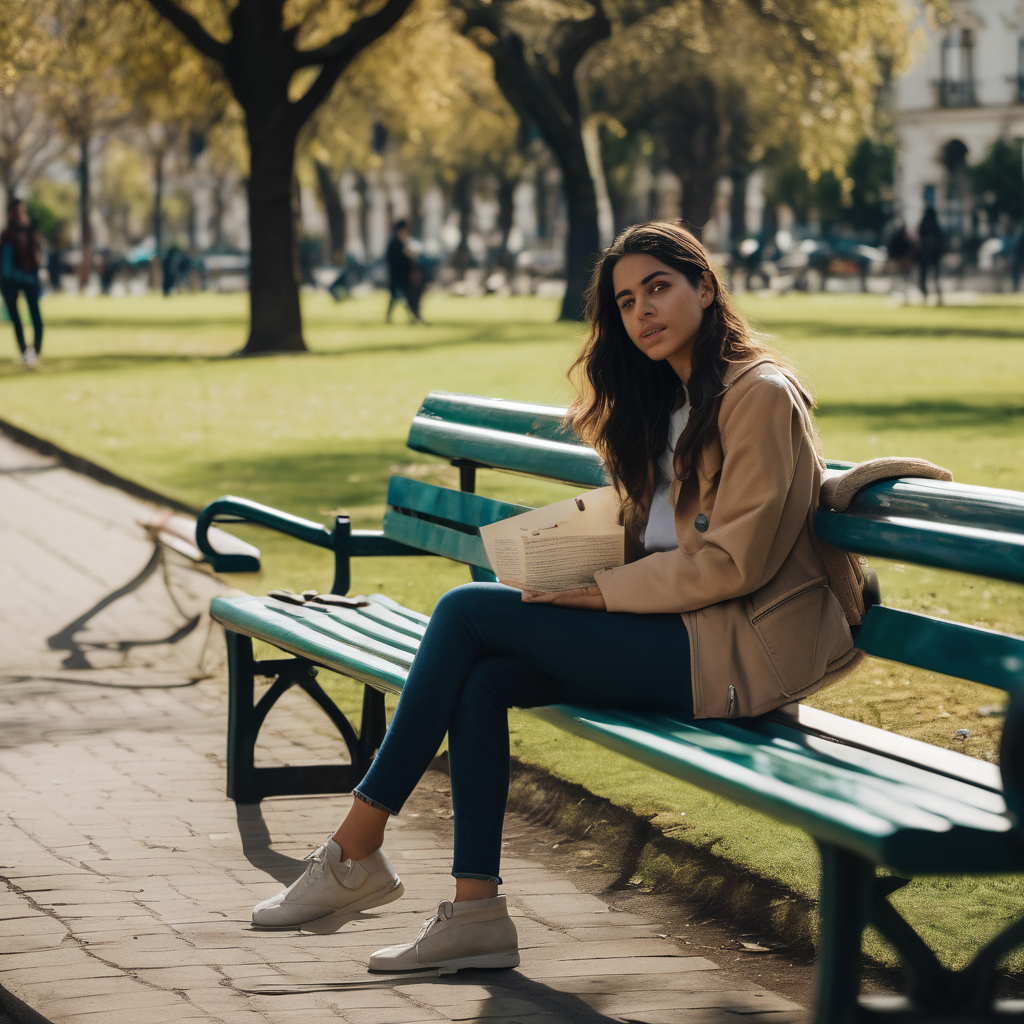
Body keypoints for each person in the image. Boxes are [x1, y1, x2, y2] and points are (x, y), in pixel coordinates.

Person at [249, 221, 860, 973]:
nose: (642, 311)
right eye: (626, 301)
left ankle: (356, 847)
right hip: (671, 635)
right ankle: (476, 914)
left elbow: (732, 562)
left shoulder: (757, 395)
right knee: (483, 677)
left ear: (705, 287)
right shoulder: (669, 397)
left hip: (728, 653)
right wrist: (564, 558)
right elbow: (657, 540)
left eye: (659, 288)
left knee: (464, 612)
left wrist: (599, 594)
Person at [0, 198, 43, 367]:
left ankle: (34, 351)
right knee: (17, 318)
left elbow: (36, 254)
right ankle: (25, 351)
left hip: (27, 278)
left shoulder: (29, 230)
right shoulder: (8, 234)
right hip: (12, 280)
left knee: (34, 315)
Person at [385, 219, 424, 323]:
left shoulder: (404, 242)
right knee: (401, 297)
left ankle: (413, 316)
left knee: (399, 297)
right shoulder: (395, 243)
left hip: (403, 275)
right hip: (398, 275)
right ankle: (414, 316)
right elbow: (394, 260)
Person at [917, 206, 945, 304]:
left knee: (924, 276)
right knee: (936, 276)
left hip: (924, 255)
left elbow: (919, 240)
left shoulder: (923, 225)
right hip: (934, 255)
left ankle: (925, 296)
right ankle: (938, 297)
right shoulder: (936, 226)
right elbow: (942, 240)